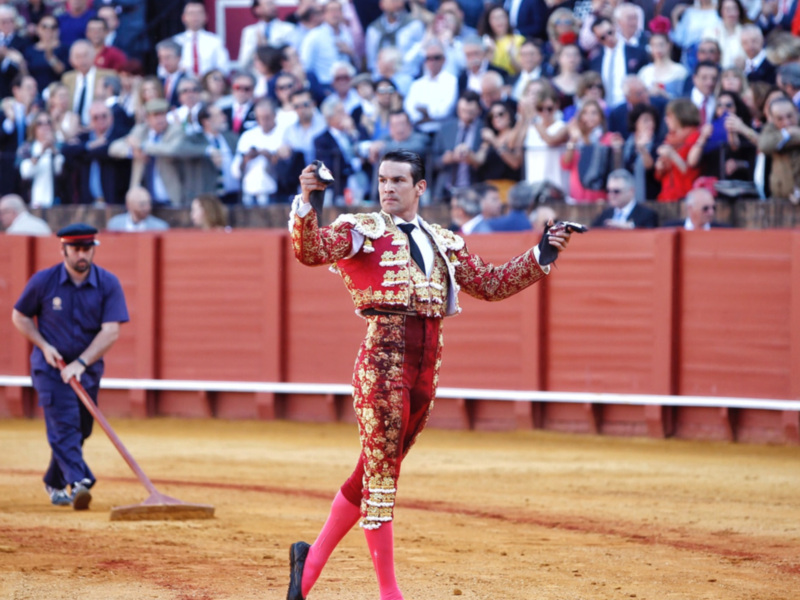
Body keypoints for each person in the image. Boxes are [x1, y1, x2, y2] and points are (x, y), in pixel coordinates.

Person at [285, 149, 572, 600]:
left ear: (420, 187)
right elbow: (310, 251)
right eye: (382, 180)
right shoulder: (361, 230)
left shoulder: (443, 241)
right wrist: (309, 200)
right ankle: (389, 593)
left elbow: (491, 284)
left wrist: (543, 252)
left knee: (373, 472)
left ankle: (307, 566)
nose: (387, 188)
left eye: (398, 180)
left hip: (426, 370)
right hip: (381, 363)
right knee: (382, 480)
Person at [11, 223, 129, 510]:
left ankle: (54, 481)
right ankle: (79, 482)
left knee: (82, 429)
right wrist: (43, 345)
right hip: (51, 369)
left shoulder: (108, 283)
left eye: (86, 249)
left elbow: (111, 331)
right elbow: (20, 316)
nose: (81, 255)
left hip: (86, 370)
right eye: (75, 249)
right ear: (62, 249)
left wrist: (81, 362)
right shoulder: (44, 281)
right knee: (65, 425)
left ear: (93, 250)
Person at [757, 97, 800, 203]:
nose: (787, 122)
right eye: (780, 119)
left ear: (796, 111)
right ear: (771, 118)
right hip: (780, 198)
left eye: (790, 116)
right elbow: (764, 145)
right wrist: (787, 134)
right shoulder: (770, 129)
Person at [591, 169, 659, 228]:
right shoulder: (605, 215)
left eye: (616, 191)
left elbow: (650, 237)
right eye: (608, 191)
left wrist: (630, 228)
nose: (611, 195)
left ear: (631, 191)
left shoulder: (646, 215)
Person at [662, 187, 730, 229]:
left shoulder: (724, 230)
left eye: (713, 208)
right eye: (705, 208)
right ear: (690, 209)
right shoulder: (669, 229)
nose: (711, 212)